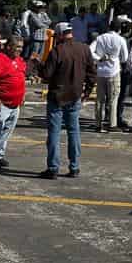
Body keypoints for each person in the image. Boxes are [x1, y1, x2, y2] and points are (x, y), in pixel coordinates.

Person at [38, 22, 95, 179]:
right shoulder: (84, 48)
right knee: (74, 131)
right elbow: (92, 73)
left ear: (61, 35)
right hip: (75, 95)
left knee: (54, 133)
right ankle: (74, 166)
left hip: (57, 96)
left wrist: (38, 65)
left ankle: (53, 167)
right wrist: (87, 92)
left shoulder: (57, 51)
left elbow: (47, 75)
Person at [0, 35, 27, 171]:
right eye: (17, 47)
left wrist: (22, 95)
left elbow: (21, 77)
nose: (19, 50)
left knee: (6, 131)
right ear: (8, 47)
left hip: (15, 103)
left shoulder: (19, 60)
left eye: (21, 47)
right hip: (1, 103)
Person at [90, 20, 128, 132]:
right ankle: (112, 124)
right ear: (119, 29)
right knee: (113, 98)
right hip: (113, 70)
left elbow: (89, 50)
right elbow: (125, 57)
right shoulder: (121, 39)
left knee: (99, 99)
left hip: (101, 71)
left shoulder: (100, 38)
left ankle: (98, 123)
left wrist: (99, 58)